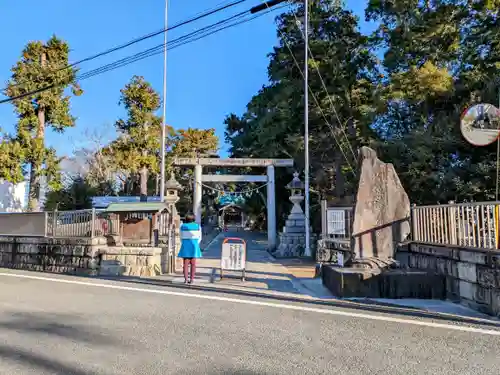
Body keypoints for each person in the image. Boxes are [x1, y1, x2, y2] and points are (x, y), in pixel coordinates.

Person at [178, 214, 202, 284]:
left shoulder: (182, 226)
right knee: (193, 264)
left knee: (185, 263)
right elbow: (200, 237)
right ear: (194, 219)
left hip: (185, 245)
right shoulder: (198, 226)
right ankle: (191, 280)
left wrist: (184, 242)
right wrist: (196, 243)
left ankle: (185, 279)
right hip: (194, 245)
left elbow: (180, 237)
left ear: (186, 219)